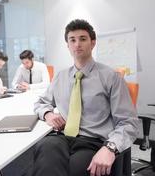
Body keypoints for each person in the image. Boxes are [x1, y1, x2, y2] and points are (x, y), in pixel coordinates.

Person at [32, 19, 139, 176]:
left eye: (83, 39)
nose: (77, 44)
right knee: (44, 155)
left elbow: (128, 122)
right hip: (62, 137)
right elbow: (41, 103)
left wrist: (110, 148)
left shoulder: (111, 77)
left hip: (94, 141)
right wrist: (48, 114)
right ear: (67, 45)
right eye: (72, 40)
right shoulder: (60, 77)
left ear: (92, 43)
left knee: (78, 169)